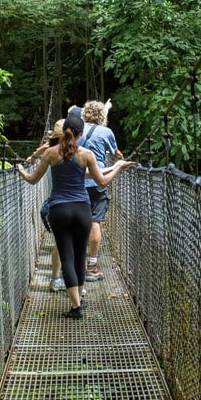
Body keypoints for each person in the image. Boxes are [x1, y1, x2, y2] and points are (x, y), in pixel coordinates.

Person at [18, 114, 135, 319]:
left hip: (59, 210)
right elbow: (101, 181)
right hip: (83, 210)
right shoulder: (87, 154)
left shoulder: (51, 154)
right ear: (81, 134)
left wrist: (20, 169)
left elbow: (32, 179)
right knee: (80, 256)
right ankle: (78, 300)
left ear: (63, 132)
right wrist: (117, 167)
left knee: (67, 257)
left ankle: (76, 307)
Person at [78, 100, 122, 282]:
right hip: (98, 181)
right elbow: (114, 152)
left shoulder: (76, 130)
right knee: (96, 222)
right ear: (102, 116)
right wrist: (120, 157)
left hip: (77, 181)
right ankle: (92, 265)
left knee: (78, 223)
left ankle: (75, 263)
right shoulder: (106, 132)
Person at [31, 119, 66, 292]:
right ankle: (73, 282)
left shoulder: (48, 150)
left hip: (54, 202)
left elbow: (33, 178)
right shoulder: (78, 150)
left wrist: (30, 160)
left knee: (60, 243)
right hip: (75, 202)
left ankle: (55, 278)